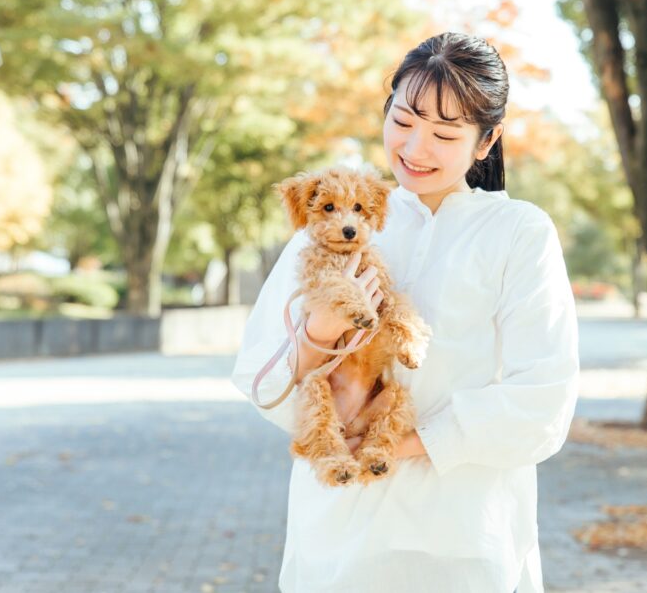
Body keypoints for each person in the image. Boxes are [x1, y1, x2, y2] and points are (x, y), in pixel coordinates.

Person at [231, 31, 580, 593]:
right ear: (385, 110)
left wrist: (402, 444)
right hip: (336, 539)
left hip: (463, 539)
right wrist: (319, 334)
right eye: (404, 120)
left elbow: (543, 401)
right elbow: (259, 379)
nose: (416, 149)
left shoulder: (518, 233)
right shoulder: (333, 224)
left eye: (445, 133)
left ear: (486, 142)